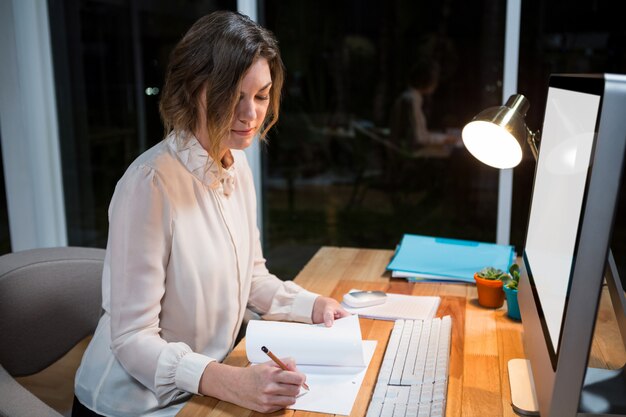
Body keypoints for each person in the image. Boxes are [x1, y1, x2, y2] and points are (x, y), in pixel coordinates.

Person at [73, 11, 349, 417]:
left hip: (200, 389)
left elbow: (252, 276)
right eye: (233, 95)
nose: (251, 114)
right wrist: (231, 381)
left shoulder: (236, 166)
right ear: (193, 90)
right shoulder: (149, 184)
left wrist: (315, 306)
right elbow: (132, 338)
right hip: (131, 404)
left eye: (261, 95)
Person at [389, 60, 458, 151]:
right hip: (407, 153)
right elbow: (419, 138)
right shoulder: (411, 100)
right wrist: (444, 139)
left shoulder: (411, 97)